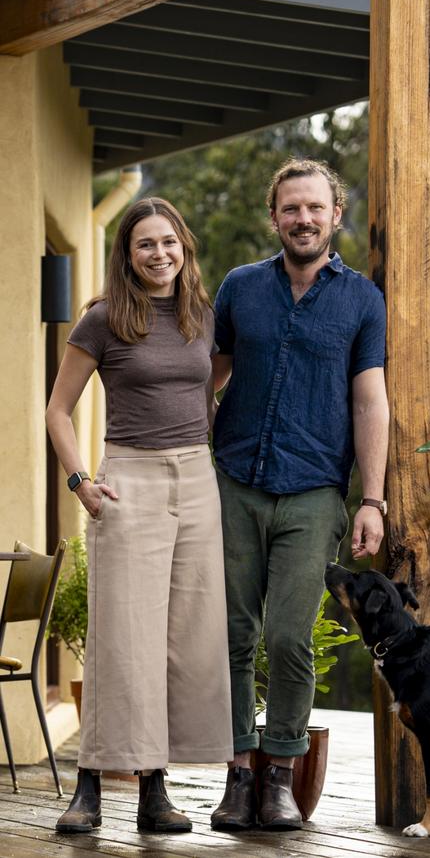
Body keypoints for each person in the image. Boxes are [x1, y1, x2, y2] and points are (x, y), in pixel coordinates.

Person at [210, 158, 389, 831]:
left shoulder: (360, 301)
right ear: (275, 216)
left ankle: (280, 773)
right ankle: (235, 774)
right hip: (233, 483)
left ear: (335, 215)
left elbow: (370, 401)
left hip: (314, 491)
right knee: (231, 634)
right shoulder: (240, 288)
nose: (304, 219)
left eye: (315, 208)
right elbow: (208, 374)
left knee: (288, 638)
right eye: (291, 208)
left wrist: (371, 500)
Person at [46, 197, 233, 834]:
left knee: (184, 639)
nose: (160, 255)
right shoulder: (102, 319)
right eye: (145, 244)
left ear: (186, 248)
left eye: (169, 243)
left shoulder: (202, 316)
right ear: (127, 255)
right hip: (128, 480)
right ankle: (89, 788)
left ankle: (156, 791)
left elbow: (211, 380)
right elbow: (56, 410)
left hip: (196, 482)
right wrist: (80, 483)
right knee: (121, 640)